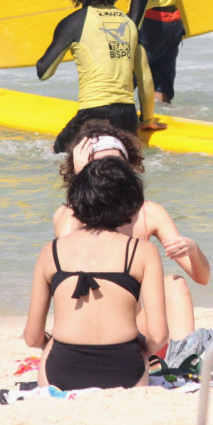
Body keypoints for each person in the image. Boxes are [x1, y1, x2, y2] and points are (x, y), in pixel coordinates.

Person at [53, 119, 210, 343]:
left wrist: (194, 249)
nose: (108, 171)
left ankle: (183, 357)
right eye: (98, 164)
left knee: (174, 283)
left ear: (129, 167)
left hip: (131, 326)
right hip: (85, 325)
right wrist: (81, 184)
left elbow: (202, 277)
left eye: (115, 163)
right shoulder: (70, 212)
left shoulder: (149, 213)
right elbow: (65, 242)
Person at [24, 156, 168, 390]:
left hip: (61, 373)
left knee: (52, 345)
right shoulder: (142, 252)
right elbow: (159, 336)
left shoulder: (51, 251)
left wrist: (50, 343)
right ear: (130, 205)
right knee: (137, 343)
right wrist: (141, 346)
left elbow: (32, 337)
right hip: (125, 374)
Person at [36, 0, 164, 153]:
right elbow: (145, 77)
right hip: (128, 117)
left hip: (93, 116)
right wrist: (147, 120)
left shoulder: (74, 23)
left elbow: (44, 72)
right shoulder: (129, 24)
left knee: (55, 155)